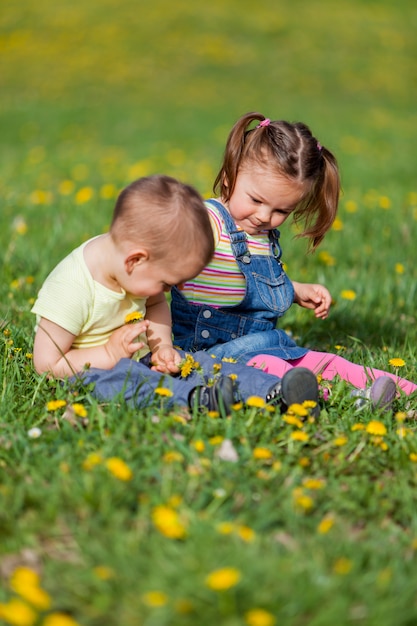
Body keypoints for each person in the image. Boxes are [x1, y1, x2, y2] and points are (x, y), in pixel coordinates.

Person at [170, 113, 416, 410]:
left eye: (281, 211)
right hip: (212, 353)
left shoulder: (262, 233)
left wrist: (296, 291)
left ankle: (404, 391)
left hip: (265, 341)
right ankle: (343, 400)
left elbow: (246, 281)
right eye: (256, 200)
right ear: (228, 176)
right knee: (271, 368)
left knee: (326, 361)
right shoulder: (207, 221)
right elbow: (159, 263)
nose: (264, 216)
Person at [31, 174, 321, 416]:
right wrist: (108, 354)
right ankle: (198, 399)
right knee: (125, 381)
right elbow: (47, 364)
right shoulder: (72, 287)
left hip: (141, 356)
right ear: (135, 260)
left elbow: (155, 303)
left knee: (203, 363)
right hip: (90, 370)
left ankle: (275, 390)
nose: (171, 292)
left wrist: (162, 348)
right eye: (168, 283)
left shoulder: (136, 273)